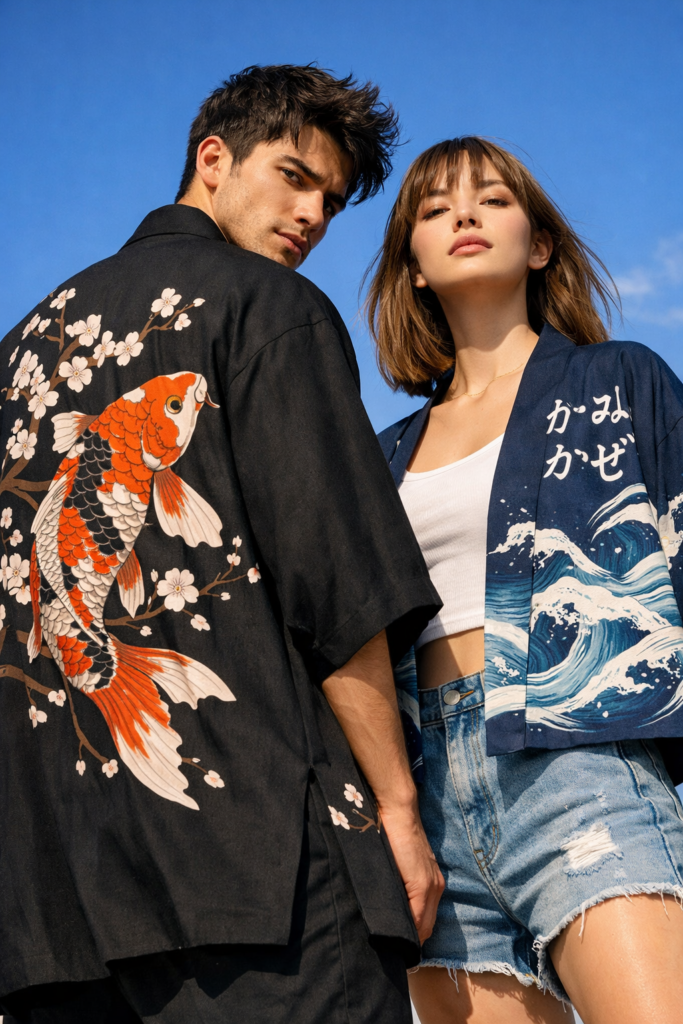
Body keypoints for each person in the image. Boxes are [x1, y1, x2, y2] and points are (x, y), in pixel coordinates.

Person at [0, 65, 445, 1024]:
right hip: (260, 882)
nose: (312, 216)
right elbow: (338, 589)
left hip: (51, 905)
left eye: (330, 201)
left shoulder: (19, 352)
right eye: (294, 177)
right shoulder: (268, 306)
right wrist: (400, 813)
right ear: (213, 159)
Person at [368, 136, 683, 1024]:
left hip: (578, 757)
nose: (463, 215)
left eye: (492, 199)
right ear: (413, 266)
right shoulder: (380, 457)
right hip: (424, 796)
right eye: (434, 209)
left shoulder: (617, 380)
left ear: (539, 243)